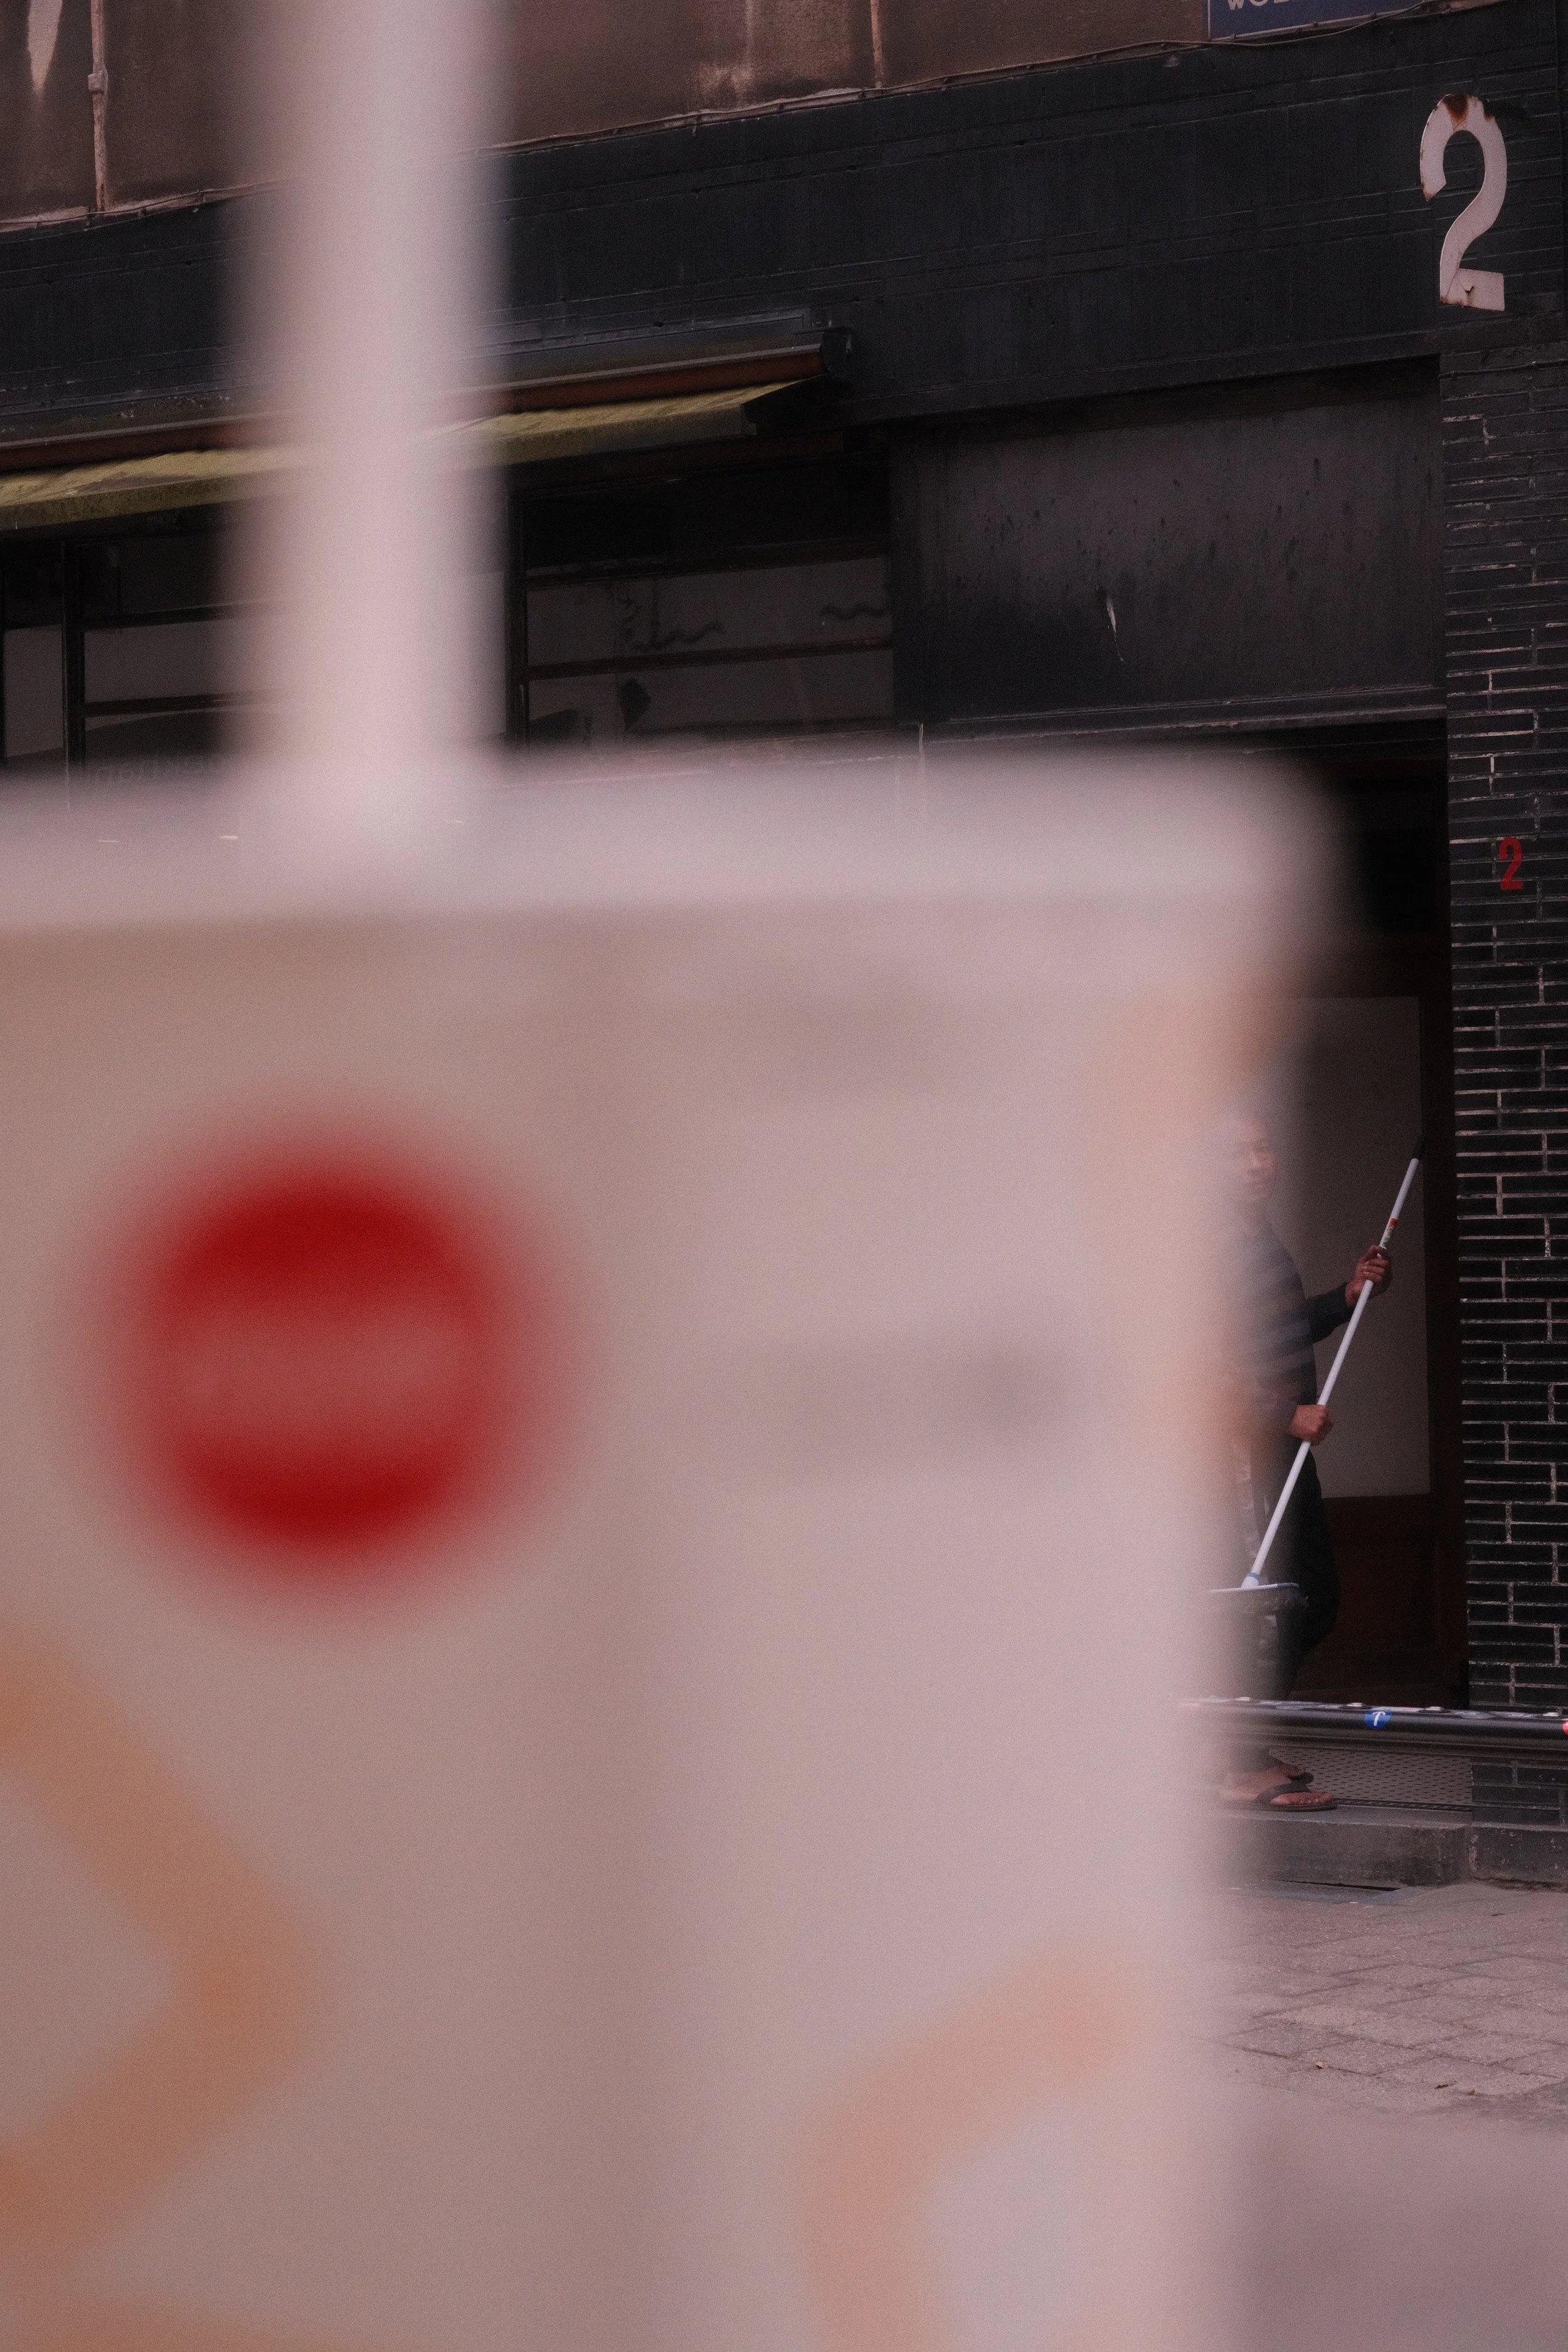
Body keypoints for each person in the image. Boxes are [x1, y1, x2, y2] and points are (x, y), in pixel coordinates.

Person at [1220, 1110, 1392, 1811]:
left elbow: (1278, 1330)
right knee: (1279, 1603)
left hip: (1282, 1450)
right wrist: (1280, 1413)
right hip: (1248, 1455)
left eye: (1263, 1147)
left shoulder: (1250, 1235)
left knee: (1304, 1599)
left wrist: (1346, 1298)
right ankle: (1235, 1763)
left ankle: (1236, 1748)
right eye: (1238, 1153)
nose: (1258, 1163)